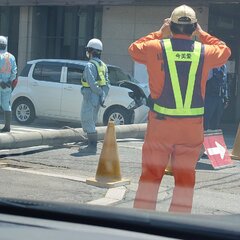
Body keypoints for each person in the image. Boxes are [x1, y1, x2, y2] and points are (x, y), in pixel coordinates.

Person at [128, 5, 231, 213]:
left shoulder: (155, 47)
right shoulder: (204, 51)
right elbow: (225, 51)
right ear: (193, 27)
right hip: (191, 129)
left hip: (161, 126)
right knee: (185, 181)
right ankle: (178, 225)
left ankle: (141, 224)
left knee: (150, 177)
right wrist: (202, 34)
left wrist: (160, 31)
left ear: (171, 25)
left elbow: (134, 49)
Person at [79, 38, 109, 155]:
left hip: (90, 95)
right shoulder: (103, 66)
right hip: (97, 98)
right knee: (92, 119)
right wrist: (102, 95)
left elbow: (91, 83)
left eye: (88, 50)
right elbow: (107, 84)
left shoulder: (90, 65)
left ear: (91, 51)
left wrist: (98, 92)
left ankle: (92, 147)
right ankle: (90, 144)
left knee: (86, 119)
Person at [204, 64, 229, 130]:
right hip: (210, 97)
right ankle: (204, 137)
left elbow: (225, 83)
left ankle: (213, 137)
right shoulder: (210, 66)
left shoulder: (224, 67)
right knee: (207, 119)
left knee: (216, 120)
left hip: (220, 98)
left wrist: (226, 98)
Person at [0, 35, 17, 133]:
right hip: (7, 85)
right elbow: (14, 71)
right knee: (6, 105)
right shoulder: (11, 57)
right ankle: (7, 127)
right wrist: (9, 81)